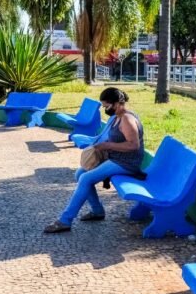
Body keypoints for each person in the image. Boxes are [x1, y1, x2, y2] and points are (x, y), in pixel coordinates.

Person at [44, 87, 145, 233]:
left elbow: (133, 145)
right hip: (114, 158)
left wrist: (108, 145)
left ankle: (65, 220)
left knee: (85, 178)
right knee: (80, 174)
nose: (105, 109)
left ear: (117, 103)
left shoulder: (127, 119)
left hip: (127, 163)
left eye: (107, 106)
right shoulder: (116, 116)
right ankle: (97, 211)